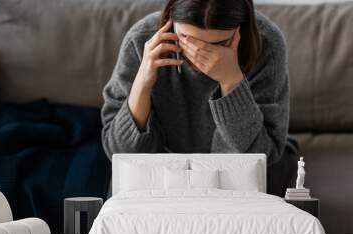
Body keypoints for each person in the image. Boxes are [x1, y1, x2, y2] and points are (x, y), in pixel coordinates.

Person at [101, 0, 298, 196]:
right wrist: (143, 82)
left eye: (219, 44)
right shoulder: (141, 39)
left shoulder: (267, 43)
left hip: (236, 176)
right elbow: (119, 153)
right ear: (170, 18)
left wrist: (231, 81)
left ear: (241, 28)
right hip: (162, 172)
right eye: (186, 39)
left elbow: (262, 155)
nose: (199, 53)